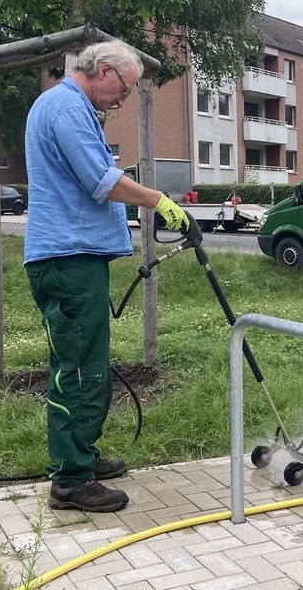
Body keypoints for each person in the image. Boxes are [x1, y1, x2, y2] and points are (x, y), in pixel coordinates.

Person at [23, 40, 188, 513]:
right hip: (67, 258)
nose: (123, 99)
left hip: (74, 256)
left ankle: (80, 458)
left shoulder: (67, 107)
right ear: (105, 70)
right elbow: (102, 181)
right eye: (125, 88)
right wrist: (158, 200)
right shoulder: (65, 108)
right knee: (81, 369)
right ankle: (72, 481)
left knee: (84, 360)